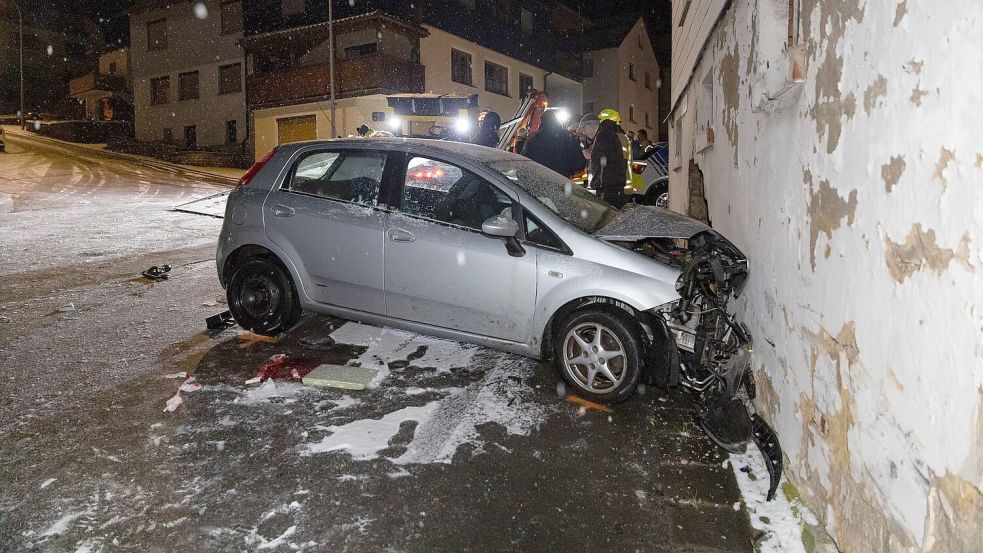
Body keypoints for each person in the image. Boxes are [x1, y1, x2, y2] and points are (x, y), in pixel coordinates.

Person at [520, 110, 587, 178]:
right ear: (555, 120)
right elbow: (580, 163)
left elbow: (523, 161)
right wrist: (567, 169)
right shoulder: (568, 136)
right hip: (562, 180)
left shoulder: (532, 138)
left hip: (538, 180)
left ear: (541, 121)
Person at [589, 115, 627, 208]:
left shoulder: (604, 135)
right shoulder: (614, 135)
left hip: (607, 185)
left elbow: (605, 161)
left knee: (607, 213)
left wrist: (598, 182)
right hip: (615, 183)